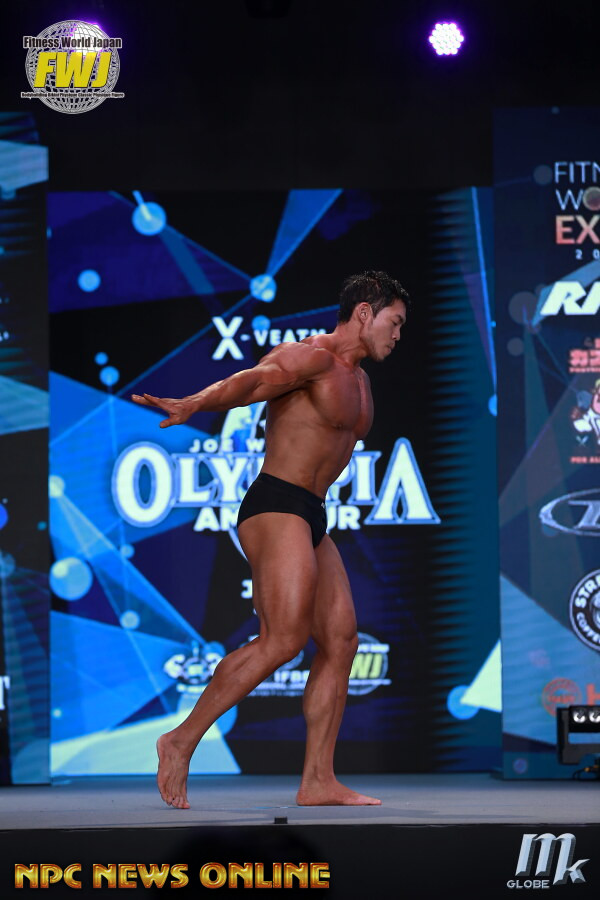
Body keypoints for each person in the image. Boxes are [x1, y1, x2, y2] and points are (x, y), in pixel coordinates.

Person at [131, 270, 409, 809]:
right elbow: (255, 382)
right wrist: (194, 404)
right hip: (276, 503)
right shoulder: (312, 358)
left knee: (342, 641)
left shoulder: (361, 383)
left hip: (312, 512)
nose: (397, 335)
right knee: (283, 639)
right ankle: (180, 739)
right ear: (363, 313)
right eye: (394, 323)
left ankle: (318, 780)